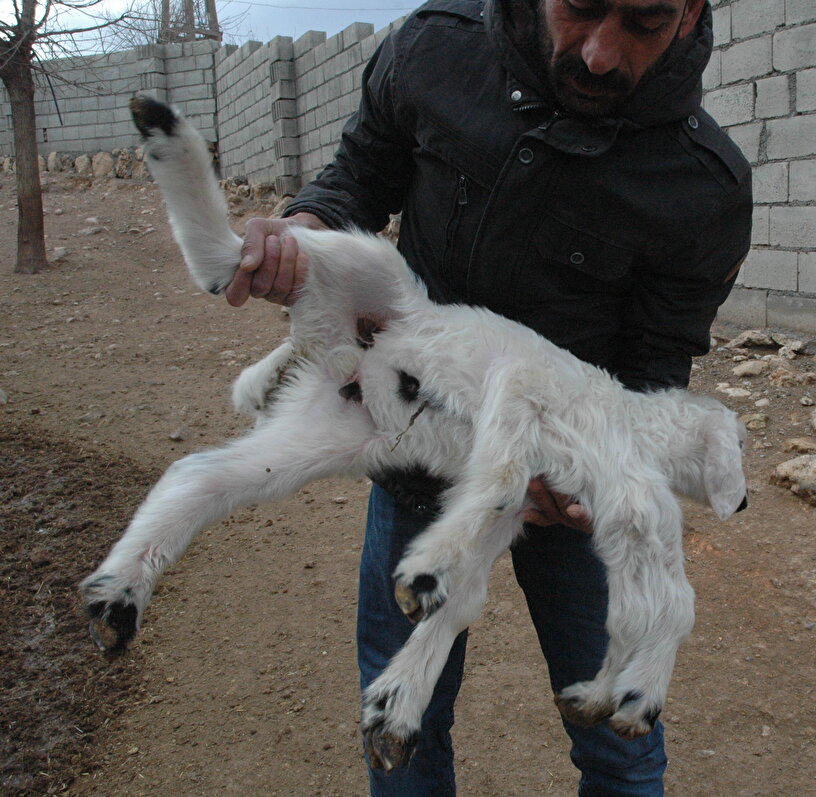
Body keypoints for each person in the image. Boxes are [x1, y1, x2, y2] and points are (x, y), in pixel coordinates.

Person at [229, 0, 751, 793]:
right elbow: (360, 176)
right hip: (421, 455)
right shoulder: (435, 51)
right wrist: (304, 230)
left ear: (692, 10)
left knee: (622, 745)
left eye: (643, 21)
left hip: (570, 488)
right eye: (579, 7)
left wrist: (589, 481)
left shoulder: (703, 185)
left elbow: (655, 364)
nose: (602, 53)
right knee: (403, 717)